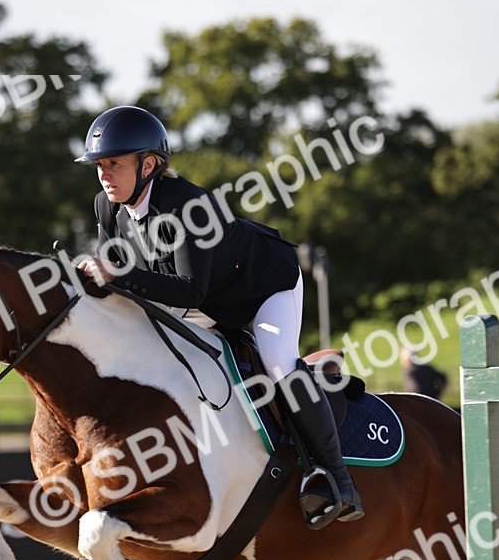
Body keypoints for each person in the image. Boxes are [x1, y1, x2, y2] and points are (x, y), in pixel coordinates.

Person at [75, 105, 363, 527]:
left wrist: (118, 273)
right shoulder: (107, 206)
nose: (104, 174)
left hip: (263, 288)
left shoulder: (189, 206)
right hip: (204, 302)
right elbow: (124, 279)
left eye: (114, 163)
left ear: (149, 164)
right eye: (99, 164)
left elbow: (190, 288)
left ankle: (336, 479)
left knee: (279, 362)